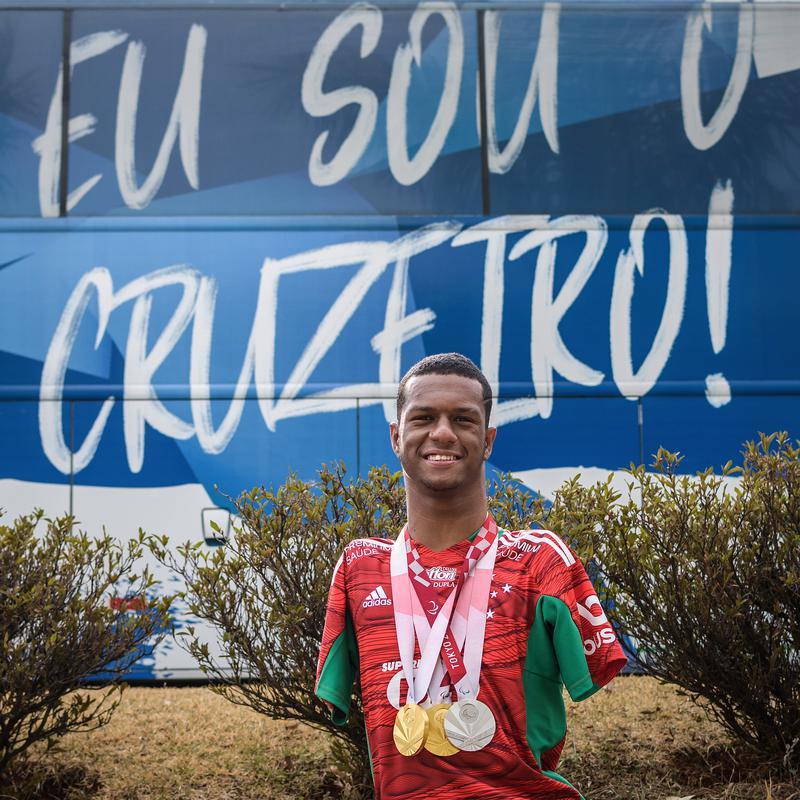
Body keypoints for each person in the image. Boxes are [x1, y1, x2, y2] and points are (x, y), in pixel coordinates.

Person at [316, 353, 627, 799]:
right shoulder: (359, 569)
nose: (442, 432)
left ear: (488, 440)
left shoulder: (542, 563)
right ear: (395, 435)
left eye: (463, 419)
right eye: (423, 417)